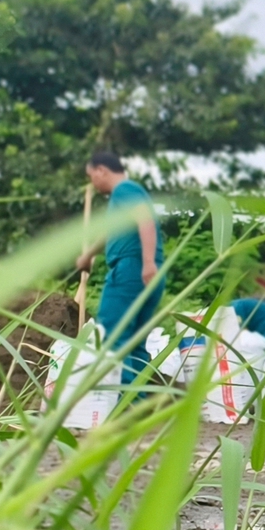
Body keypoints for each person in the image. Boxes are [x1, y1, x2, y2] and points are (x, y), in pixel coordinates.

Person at [79, 153, 164, 385]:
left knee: (113, 336)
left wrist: (147, 262)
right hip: (148, 272)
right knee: (134, 343)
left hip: (131, 269)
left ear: (101, 170)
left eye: (91, 176)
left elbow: (145, 219)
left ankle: (119, 402)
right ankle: (136, 400)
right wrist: (88, 255)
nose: (93, 183)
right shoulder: (128, 195)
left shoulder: (123, 190)